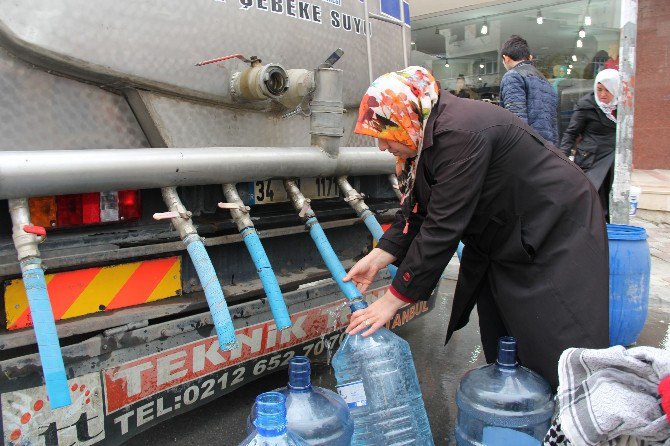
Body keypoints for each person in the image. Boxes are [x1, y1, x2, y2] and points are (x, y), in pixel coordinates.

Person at [343, 66, 609, 389]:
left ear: (405, 115)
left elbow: (442, 224)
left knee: (557, 344)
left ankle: (574, 423)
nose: (383, 147)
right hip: (510, 234)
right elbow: (417, 208)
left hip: (555, 229)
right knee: (506, 343)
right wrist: (379, 256)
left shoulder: (458, 133)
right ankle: (516, 413)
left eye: (385, 134)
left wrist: (393, 298)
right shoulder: (428, 135)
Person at [560, 69, 618, 220]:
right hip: (591, 159)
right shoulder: (587, 105)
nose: (603, 95)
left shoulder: (623, 107)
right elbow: (571, 133)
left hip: (613, 160)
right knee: (590, 197)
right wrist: (561, 159)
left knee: (608, 199)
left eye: (608, 90)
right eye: (599, 90)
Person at [499, 35, 559, 145]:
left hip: (528, 152)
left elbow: (516, 122)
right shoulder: (546, 81)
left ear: (506, 58)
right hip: (548, 150)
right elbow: (553, 125)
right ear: (529, 57)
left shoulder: (512, 76)